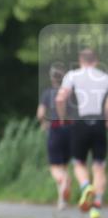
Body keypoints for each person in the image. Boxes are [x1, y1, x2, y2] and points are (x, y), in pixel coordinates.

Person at [56, 48, 107, 218]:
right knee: (99, 166)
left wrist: (62, 117)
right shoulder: (104, 77)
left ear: (80, 60)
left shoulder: (72, 76)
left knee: (78, 163)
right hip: (99, 123)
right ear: (96, 61)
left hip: (80, 123)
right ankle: (96, 206)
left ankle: (86, 187)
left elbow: (60, 99)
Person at [37, 65, 74, 209]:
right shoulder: (70, 93)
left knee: (54, 167)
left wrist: (44, 124)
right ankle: (62, 200)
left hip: (55, 129)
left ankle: (64, 181)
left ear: (52, 78)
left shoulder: (47, 93)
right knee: (64, 165)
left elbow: (40, 114)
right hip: (70, 130)